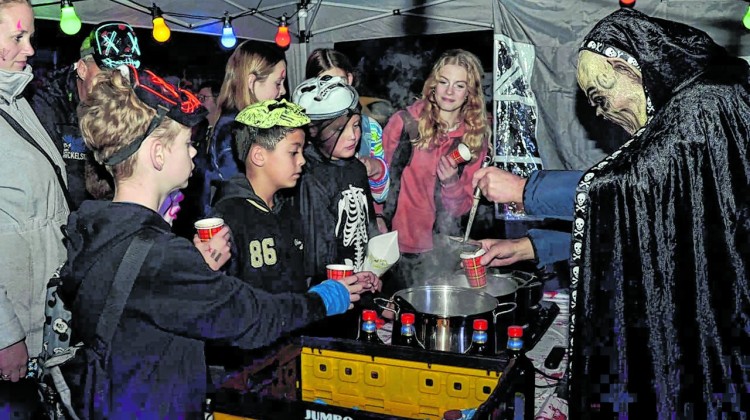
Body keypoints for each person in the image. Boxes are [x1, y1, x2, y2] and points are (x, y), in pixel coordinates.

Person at [63, 65, 380, 418]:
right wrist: (324, 299)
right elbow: (252, 319)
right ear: (157, 153)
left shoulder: (103, 229)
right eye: (186, 143)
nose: (195, 153)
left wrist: (194, 267)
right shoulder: (161, 256)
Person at [482, 8, 750, 417]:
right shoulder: (689, 105)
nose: (605, 116)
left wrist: (525, 190)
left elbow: (635, 186)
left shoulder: (709, 99)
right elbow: (646, 232)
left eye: (601, 100)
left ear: (624, 65)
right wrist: (529, 247)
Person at [0, 0, 68, 417]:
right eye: (17, 37)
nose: (29, 50)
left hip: (41, 319)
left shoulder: (16, 99)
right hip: (14, 331)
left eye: (30, 38)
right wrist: (4, 336)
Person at [380, 49, 491, 291]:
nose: (449, 91)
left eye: (459, 85)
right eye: (444, 82)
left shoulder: (473, 139)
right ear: (433, 85)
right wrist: (377, 221)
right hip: (390, 246)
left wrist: (451, 183)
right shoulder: (404, 123)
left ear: (469, 94)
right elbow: (378, 180)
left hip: (439, 251)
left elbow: (462, 209)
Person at [31, 21, 141, 209]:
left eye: (123, 77)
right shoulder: (47, 105)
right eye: (106, 75)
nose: (115, 85)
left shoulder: (127, 106)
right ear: (82, 69)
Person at [212, 99, 310, 293]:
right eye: (293, 152)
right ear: (259, 156)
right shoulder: (228, 218)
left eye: (302, 151)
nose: (302, 160)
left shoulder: (288, 211)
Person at [292, 75, 380, 282]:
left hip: (363, 276)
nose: (353, 135)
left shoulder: (357, 168)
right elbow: (316, 254)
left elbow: (370, 224)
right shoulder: (309, 176)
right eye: (340, 129)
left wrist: (377, 267)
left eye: (356, 125)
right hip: (331, 287)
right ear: (313, 131)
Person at [198, 40, 288, 218]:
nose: (283, 91)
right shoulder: (232, 129)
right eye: (278, 83)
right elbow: (243, 191)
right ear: (252, 82)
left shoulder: (242, 123)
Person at [305, 48, 390, 204]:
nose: (335, 92)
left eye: (340, 83)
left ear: (350, 80)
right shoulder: (305, 133)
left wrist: (375, 168)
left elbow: (381, 196)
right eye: (326, 85)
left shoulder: (369, 129)